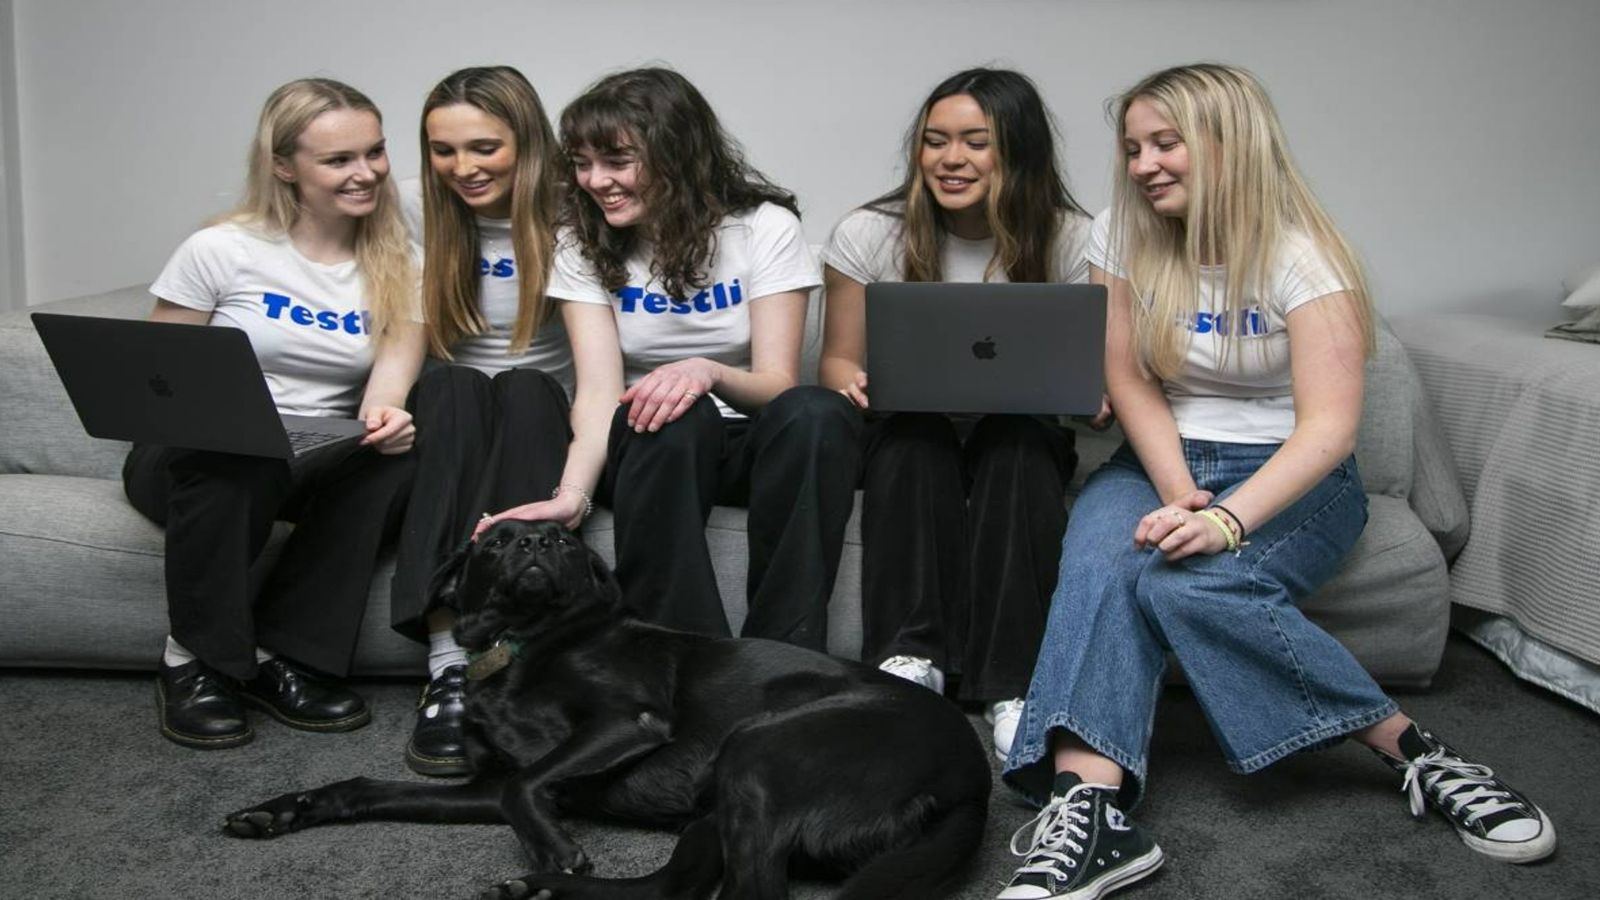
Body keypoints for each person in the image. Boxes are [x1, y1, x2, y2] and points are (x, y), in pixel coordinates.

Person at [998, 63, 1555, 900]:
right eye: (1135, 148)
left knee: (1186, 587)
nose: (1145, 164)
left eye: (1167, 143)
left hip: (1291, 474)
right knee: (1102, 563)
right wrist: (1179, 488)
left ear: (1230, 143)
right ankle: (1095, 814)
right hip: (1162, 459)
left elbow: (1328, 429)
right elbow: (1131, 380)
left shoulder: (1308, 255)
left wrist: (1225, 522)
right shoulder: (1120, 233)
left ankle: (1416, 752)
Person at [483, 67, 859, 650]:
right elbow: (599, 392)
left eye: (616, 160)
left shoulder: (763, 227)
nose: (595, 181)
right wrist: (572, 496)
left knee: (818, 410)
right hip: (651, 447)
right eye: (583, 163)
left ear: (677, 153)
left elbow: (778, 384)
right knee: (675, 413)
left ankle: (784, 657)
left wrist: (706, 371)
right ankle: (678, 655)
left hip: (745, 444)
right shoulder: (579, 240)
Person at [125, 78, 423, 750]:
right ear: (284, 166)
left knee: (402, 461)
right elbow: (156, 377)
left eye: (374, 152)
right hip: (192, 455)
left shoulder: (404, 261)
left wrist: (388, 420)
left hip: (314, 454)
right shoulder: (222, 249)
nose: (367, 172)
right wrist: (229, 418)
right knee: (244, 450)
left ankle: (285, 656)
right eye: (339, 159)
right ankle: (193, 661)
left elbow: (391, 381)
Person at [818, 68, 1094, 759]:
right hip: (909, 425)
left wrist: (1094, 396)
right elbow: (836, 360)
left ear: (1018, 151)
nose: (950, 159)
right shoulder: (869, 232)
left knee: (1017, 442)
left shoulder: (1075, 239)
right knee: (914, 434)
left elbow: (1099, 372)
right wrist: (852, 382)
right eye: (935, 141)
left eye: (976, 142)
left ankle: (1013, 686)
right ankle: (908, 664)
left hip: (1023, 430)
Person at [384, 66, 574, 776]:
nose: (461, 168)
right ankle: (448, 668)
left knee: (524, 387)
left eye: (484, 148)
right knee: (455, 387)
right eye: (443, 150)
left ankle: (509, 667)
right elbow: (405, 329)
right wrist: (384, 403)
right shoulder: (412, 211)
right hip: (452, 421)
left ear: (527, 143)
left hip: (542, 416)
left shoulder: (575, 210)